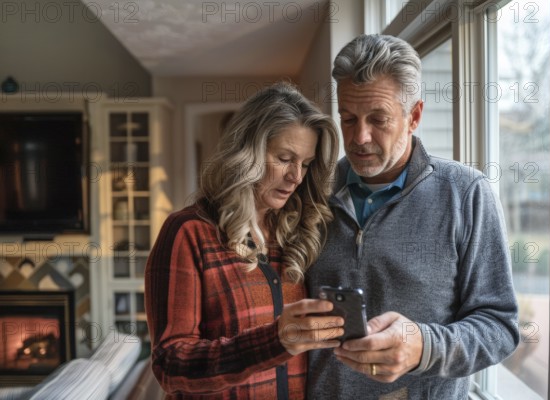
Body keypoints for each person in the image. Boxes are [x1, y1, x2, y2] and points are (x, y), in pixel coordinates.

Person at [306, 34, 520, 399]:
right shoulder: (312, 190)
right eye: (348, 118)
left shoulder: (466, 193)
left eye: (378, 119)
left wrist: (424, 346)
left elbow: (500, 327)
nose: (359, 137)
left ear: (414, 116)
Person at [145, 82, 343, 399]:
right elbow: (170, 366)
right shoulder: (188, 232)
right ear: (246, 152)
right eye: (283, 158)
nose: (296, 177)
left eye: (305, 164)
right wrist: (274, 341)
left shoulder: (296, 233)